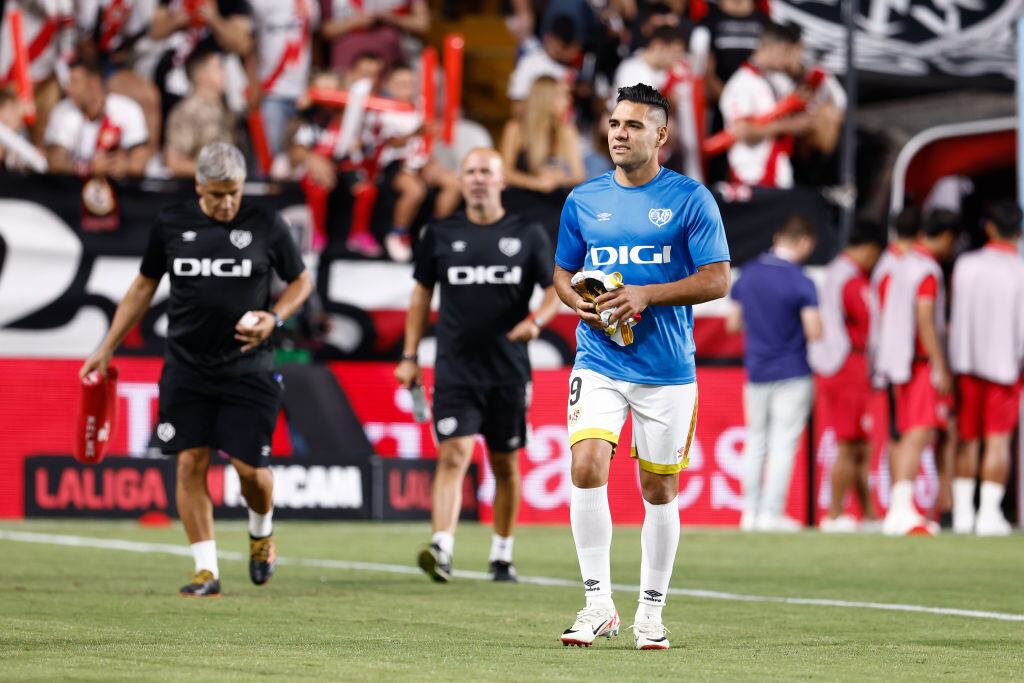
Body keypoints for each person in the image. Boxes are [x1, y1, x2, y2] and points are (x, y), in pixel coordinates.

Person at [79, 143, 313, 596]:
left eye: (235, 193)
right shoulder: (171, 222)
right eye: (218, 194)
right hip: (186, 366)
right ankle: (206, 570)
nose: (227, 203)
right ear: (199, 186)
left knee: (251, 471)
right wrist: (107, 347)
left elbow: (301, 280)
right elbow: (143, 286)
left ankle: (261, 531)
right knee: (190, 462)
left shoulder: (265, 223)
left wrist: (275, 318)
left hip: (249, 367)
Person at [553, 83, 731, 650]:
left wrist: (647, 294)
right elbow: (563, 272)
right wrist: (575, 301)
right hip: (599, 357)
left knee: (658, 489)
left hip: (666, 367)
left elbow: (717, 279)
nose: (619, 134)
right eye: (614, 124)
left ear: (661, 135)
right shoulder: (583, 199)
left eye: (633, 125)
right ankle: (597, 604)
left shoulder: (691, 199)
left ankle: (650, 611)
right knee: (586, 464)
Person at [395, 147, 562, 584]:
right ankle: (442, 548)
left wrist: (536, 321)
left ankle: (502, 554)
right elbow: (420, 296)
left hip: (508, 371)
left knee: (505, 464)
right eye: (469, 172)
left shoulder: (528, 234)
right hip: (455, 369)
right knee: (453, 455)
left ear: (501, 181)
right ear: (460, 180)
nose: (477, 179)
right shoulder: (439, 233)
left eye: (486, 171)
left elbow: (554, 290)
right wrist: (409, 356)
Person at [727, 215, 821, 532]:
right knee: (783, 443)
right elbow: (814, 330)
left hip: (756, 371)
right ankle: (771, 512)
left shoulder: (749, 274)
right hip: (791, 371)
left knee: (756, 442)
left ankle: (749, 513)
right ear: (804, 242)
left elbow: (732, 323)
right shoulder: (800, 280)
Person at [876, 210, 958, 536]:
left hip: (896, 361)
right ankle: (902, 510)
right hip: (919, 362)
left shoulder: (898, 263)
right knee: (919, 433)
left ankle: (899, 509)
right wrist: (940, 364)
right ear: (947, 237)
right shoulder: (926, 269)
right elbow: (925, 318)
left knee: (902, 433)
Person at [948, 201, 1024, 536]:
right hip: (1004, 366)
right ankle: (988, 514)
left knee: (968, 439)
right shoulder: (1019, 269)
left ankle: (964, 513)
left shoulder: (965, 264)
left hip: (967, 363)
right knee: (997, 441)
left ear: (989, 227)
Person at [809, 223, 883, 532]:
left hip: (847, 365)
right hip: (847, 365)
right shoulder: (849, 278)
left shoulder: (839, 274)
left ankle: (869, 515)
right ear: (868, 249)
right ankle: (835, 514)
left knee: (860, 445)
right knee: (848, 443)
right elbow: (868, 321)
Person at [373, 62, 462, 263]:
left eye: (410, 83)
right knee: (415, 190)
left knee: (455, 183)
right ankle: (398, 233)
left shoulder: (421, 107)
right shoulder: (383, 110)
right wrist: (417, 132)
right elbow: (392, 142)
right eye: (400, 83)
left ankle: (434, 230)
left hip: (421, 161)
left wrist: (432, 156)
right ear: (388, 84)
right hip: (394, 163)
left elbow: (428, 140)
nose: (406, 88)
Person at [718, 22, 810, 189]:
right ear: (772, 48)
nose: (787, 60)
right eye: (785, 52)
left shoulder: (777, 80)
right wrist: (787, 125)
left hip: (779, 176)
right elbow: (741, 131)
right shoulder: (742, 82)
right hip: (751, 177)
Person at [44, 57, 151, 177]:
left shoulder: (127, 109)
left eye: (74, 81)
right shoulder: (62, 111)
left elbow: (140, 158)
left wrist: (126, 166)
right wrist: (88, 168)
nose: (68, 88)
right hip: (75, 186)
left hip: (120, 185)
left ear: (94, 83)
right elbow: (55, 162)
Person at [500, 75, 585, 195]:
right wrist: (536, 183)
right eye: (563, 96)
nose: (569, 100)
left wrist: (560, 179)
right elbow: (505, 172)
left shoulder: (567, 130)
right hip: (521, 196)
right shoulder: (515, 128)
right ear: (546, 99)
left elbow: (579, 176)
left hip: (555, 197)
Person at [164, 48, 235, 177]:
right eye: (219, 67)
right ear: (203, 75)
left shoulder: (225, 108)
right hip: (196, 187)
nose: (225, 73)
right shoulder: (186, 112)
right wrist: (215, 171)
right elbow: (174, 163)